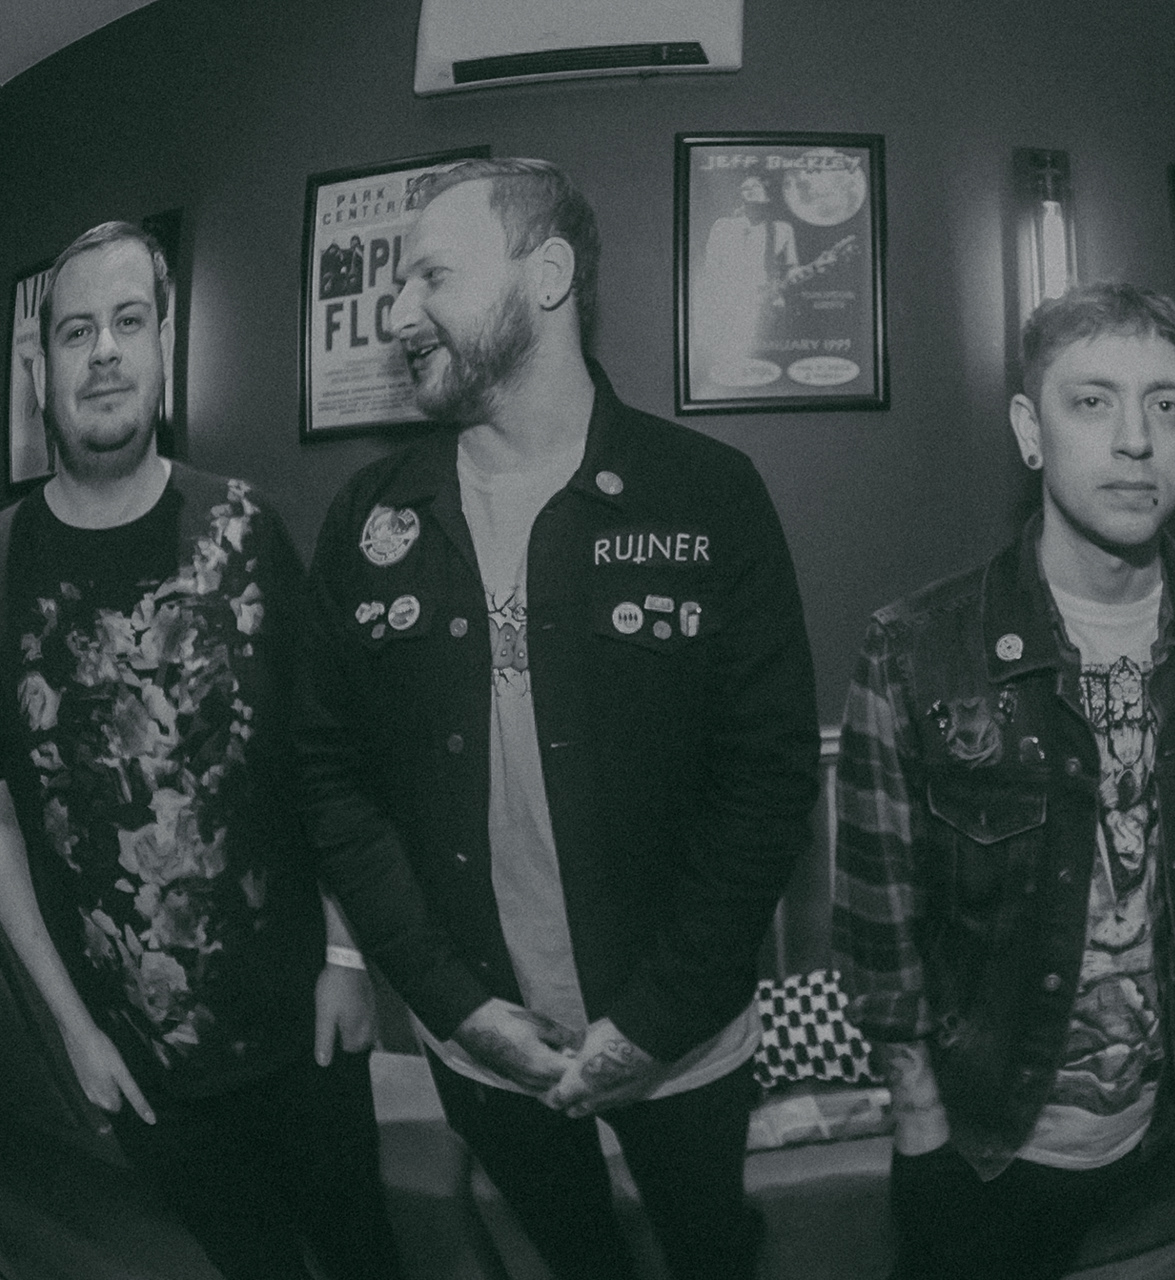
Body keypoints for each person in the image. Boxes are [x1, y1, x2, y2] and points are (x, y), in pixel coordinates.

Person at [296, 157, 819, 1280]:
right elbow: (331, 780)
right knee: (576, 1256)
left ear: (547, 275)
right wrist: (455, 1007)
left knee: (712, 1250)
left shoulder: (709, 492)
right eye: (397, 283)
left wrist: (651, 1024)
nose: (397, 315)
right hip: (480, 1047)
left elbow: (771, 777)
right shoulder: (367, 518)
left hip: (683, 1042)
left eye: (432, 275)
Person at [0, 221, 404, 1280]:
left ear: (163, 345)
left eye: (127, 321)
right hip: (145, 1074)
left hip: (306, 1031)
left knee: (363, 1255)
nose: (103, 350)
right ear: (40, 368)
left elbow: (329, 762)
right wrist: (73, 1029)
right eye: (75, 331)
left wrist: (348, 955)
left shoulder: (248, 526)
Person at [834, 283, 1175, 1279]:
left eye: (1166, 405)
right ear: (1027, 430)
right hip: (980, 1136)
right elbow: (879, 916)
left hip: (1159, 1114)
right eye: (1092, 401)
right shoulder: (915, 649)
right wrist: (919, 1118)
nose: (1135, 438)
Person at [700, 173, 800, 377]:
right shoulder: (722, 226)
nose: (751, 187)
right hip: (728, 302)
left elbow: (793, 268)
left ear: (769, 195)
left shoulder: (782, 229)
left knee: (761, 362)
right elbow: (711, 268)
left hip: (764, 304)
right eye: (747, 186)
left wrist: (806, 272)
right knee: (724, 361)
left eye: (758, 185)